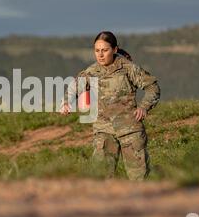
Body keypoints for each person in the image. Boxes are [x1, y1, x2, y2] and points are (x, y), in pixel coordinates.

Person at [60, 31, 160, 180]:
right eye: (97, 51)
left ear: (114, 49)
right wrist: (66, 103)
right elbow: (74, 88)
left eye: (105, 50)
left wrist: (144, 107)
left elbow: (153, 87)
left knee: (139, 179)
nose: (100, 55)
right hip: (104, 130)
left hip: (130, 129)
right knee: (99, 178)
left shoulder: (128, 68)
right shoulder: (91, 72)